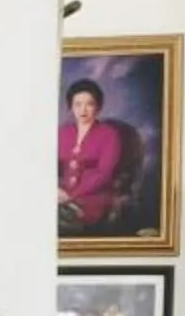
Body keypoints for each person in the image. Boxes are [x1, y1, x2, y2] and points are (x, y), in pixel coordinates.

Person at [57, 78, 144, 235]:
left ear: (98, 107)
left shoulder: (109, 135)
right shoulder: (63, 132)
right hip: (60, 195)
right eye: (77, 104)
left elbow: (104, 173)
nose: (83, 109)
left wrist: (70, 196)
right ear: (70, 106)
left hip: (93, 199)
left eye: (89, 104)